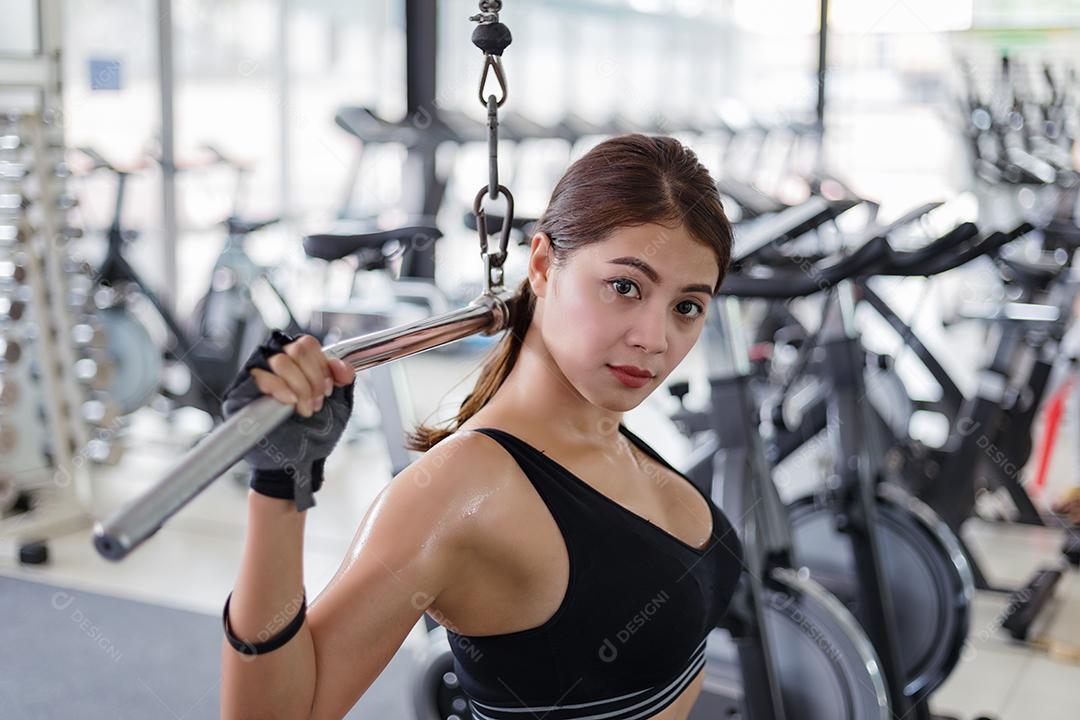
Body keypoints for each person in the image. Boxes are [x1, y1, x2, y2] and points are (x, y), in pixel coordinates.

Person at [219, 134, 742, 720]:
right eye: (625, 287)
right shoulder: (462, 489)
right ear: (542, 265)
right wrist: (279, 488)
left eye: (686, 307)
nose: (655, 338)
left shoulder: (611, 434)